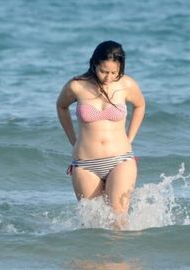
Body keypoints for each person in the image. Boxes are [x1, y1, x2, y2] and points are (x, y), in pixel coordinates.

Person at [57, 40, 145, 227]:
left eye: (114, 72)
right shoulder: (77, 86)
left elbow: (140, 105)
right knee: (92, 224)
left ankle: (120, 257)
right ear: (94, 63)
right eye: (104, 71)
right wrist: (73, 140)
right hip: (85, 164)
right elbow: (61, 106)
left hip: (120, 160)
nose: (108, 77)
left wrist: (130, 138)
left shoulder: (126, 84)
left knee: (118, 221)